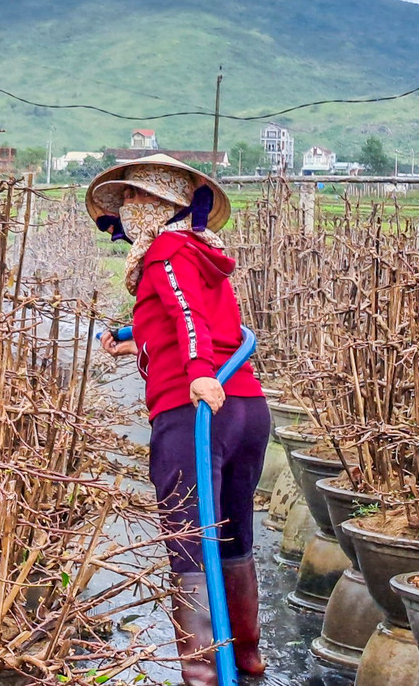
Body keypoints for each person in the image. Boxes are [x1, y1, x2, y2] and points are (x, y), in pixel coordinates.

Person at [87, 154, 269, 686]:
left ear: (162, 206)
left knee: (189, 542)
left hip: (194, 411)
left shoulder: (165, 251)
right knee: (233, 535)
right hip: (245, 408)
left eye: (135, 199)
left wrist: (197, 372)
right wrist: (130, 339)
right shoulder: (198, 251)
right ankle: (247, 661)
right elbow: (202, 318)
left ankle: (205, 674)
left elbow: (187, 313)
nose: (126, 209)